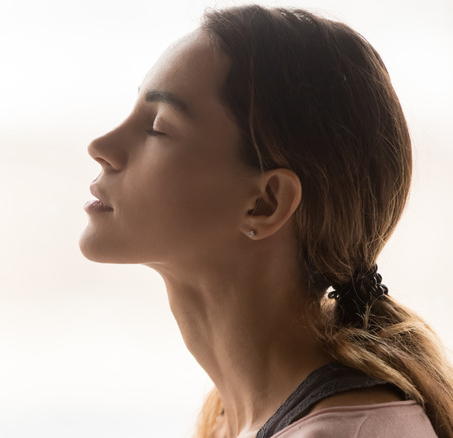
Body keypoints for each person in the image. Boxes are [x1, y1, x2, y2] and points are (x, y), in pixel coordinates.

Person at [79, 5, 453, 438]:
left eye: (158, 127)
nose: (100, 145)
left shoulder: (346, 431)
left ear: (265, 203)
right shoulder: (230, 421)